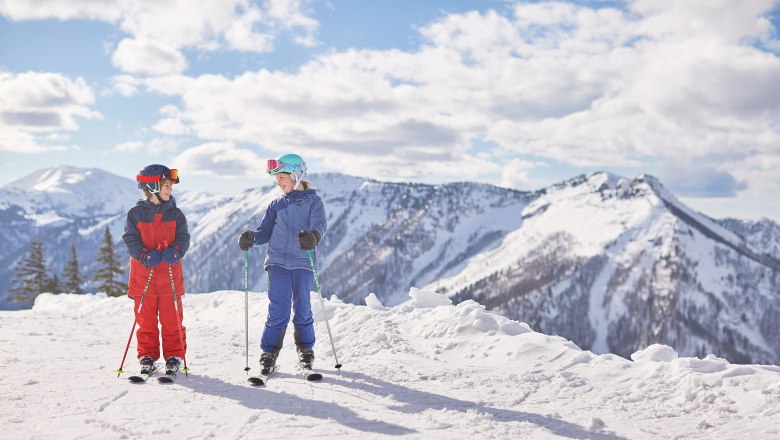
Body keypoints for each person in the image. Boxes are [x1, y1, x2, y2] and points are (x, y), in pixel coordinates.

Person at [237, 153, 327, 373]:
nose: (278, 183)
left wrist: (313, 236)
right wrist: (252, 237)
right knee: (278, 309)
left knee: (303, 307)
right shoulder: (276, 204)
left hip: (303, 263)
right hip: (277, 263)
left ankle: (305, 349)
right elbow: (264, 232)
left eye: (281, 177)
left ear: (296, 175)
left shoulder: (314, 202)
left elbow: (320, 224)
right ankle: (269, 352)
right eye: (276, 179)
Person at [122, 164, 190, 376]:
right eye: (167, 185)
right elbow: (130, 239)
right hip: (145, 278)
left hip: (169, 278)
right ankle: (147, 356)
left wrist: (177, 251)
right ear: (152, 187)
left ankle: (174, 356)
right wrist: (143, 255)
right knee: (146, 321)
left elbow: (183, 238)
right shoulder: (135, 214)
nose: (170, 189)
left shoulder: (176, 214)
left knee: (172, 321)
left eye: (170, 186)